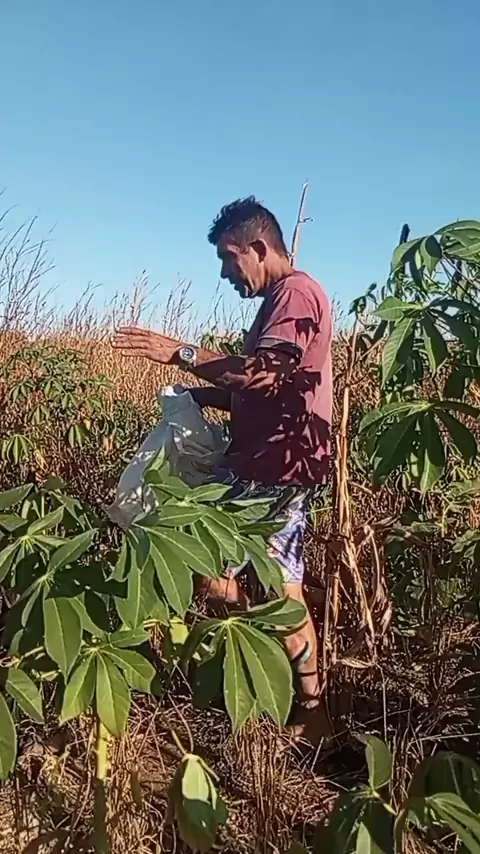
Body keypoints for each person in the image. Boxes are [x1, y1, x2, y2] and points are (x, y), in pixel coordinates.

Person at [112, 197, 332, 744]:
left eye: (227, 258)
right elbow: (257, 391)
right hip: (266, 461)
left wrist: (181, 353)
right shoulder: (278, 301)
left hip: (274, 467)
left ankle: (289, 689)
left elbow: (263, 376)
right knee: (267, 586)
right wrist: (198, 396)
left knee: (212, 567)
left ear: (256, 247)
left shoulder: (294, 292)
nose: (225, 273)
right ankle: (300, 698)